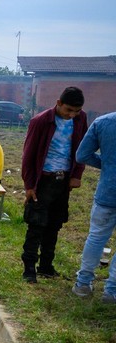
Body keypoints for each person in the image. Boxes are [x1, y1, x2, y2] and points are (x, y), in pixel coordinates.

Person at [19, 87, 88, 283]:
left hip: (64, 180)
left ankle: (46, 266)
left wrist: (76, 174)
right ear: (58, 103)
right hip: (43, 180)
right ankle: (29, 269)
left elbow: (82, 149)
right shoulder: (40, 121)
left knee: (55, 224)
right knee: (36, 224)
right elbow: (28, 155)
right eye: (68, 110)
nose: (72, 115)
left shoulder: (81, 119)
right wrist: (29, 186)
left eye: (76, 111)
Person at [73, 109, 116, 303]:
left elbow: (82, 155)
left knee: (97, 237)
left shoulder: (103, 122)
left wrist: (106, 164)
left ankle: (83, 283)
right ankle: (111, 291)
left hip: (108, 193)